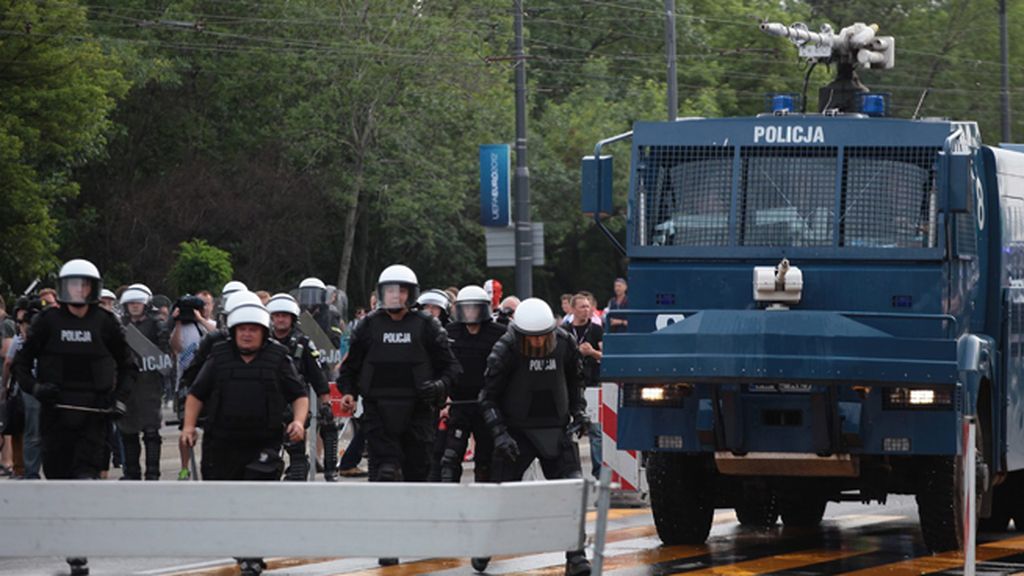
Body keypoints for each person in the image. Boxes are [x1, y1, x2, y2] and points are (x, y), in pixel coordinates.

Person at [13, 259, 135, 576]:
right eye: (73, 285)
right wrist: (37, 389)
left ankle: (80, 546)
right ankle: (69, 543)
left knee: (85, 479)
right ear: (64, 288)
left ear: (93, 289)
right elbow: (21, 365)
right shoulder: (47, 322)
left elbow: (128, 366)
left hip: (94, 416)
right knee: (58, 480)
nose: (79, 291)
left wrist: (120, 400)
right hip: (55, 415)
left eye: (84, 285)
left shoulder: (106, 323)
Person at [337, 264, 461, 566]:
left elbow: (451, 368)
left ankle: (415, 528)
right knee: (385, 472)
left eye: (401, 290)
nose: (395, 295)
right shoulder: (368, 326)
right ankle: (387, 540)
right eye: (390, 290)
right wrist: (349, 392)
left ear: (410, 294)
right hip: (378, 411)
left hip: (419, 412)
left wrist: (439, 386)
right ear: (382, 293)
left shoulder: (427, 326)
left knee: (417, 474)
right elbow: (349, 368)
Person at [180, 299, 309, 576]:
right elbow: (196, 395)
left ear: (263, 332)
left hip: (263, 442)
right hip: (222, 443)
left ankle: (252, 553)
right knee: (225, 503)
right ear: (234, 331)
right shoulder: (218, 357)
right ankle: (242, 548)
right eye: (242, 329)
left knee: (256, 498)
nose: (247, 334)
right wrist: (188, 427)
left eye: (253, 329)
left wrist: (298, 421)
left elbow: (299, 395)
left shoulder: (278, 358)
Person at [479, 298, 591, 576]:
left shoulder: (565, 343)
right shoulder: (505, 349)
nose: (539, 342)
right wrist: (500, 434)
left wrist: (579, 412)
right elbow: (488, 398)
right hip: (517, 434)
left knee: (571, 494)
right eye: (532, 338)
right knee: (499, 496)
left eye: (544, 336)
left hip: (557, 429)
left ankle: (576, 556)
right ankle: (484, 545)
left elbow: (576, 382)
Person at [439, 287, 507, 561]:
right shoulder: (449, 333)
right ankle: (449, 510)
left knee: (486, 461)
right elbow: (440, 365)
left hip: (488, 405)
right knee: (449, 458)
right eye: (464, 308)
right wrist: (442, 397)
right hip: (459, 403)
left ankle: (483, 511)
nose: (469, 313)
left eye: (474, 307)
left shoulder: (499, 333)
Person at [173, 290, 262, 480]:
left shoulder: (272, 350)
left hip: (259, 426)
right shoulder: (214, 343)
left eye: (252, 327)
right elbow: (194, 380)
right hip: (221, 421)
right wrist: (190, 422)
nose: (246, 333)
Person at [266, 293, 332, 481]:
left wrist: (326, 404)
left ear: (292, 318)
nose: (280, 320)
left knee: (297, 459)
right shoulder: (263, 342)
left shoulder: (303, 344)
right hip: (266, 408)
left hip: (294, 408)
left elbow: (318, 377)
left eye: (284, 316)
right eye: (277, 316)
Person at [118, 283, 169, 480]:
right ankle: (131, 472)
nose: (134, 306)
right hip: (128, 384)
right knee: (128, 431)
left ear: (145, 304)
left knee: (151, 431)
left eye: (138, 302)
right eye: (130, 303)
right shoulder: (120, 325)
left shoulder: (156, 324)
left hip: (150, 383)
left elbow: (164, 355)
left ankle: (153, 473)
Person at [568, 293, 604, 479]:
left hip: (592, 384)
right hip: (571, 386)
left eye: (588, 306)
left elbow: (605, 356)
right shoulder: (565, 331)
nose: (586, 310)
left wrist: (592, 352)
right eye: (582, 306)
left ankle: (599, 472)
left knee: (596, 432)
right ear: (573, 309)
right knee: (570, 431)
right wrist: (576, 352)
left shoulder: (596, 329)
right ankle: (572, 472)